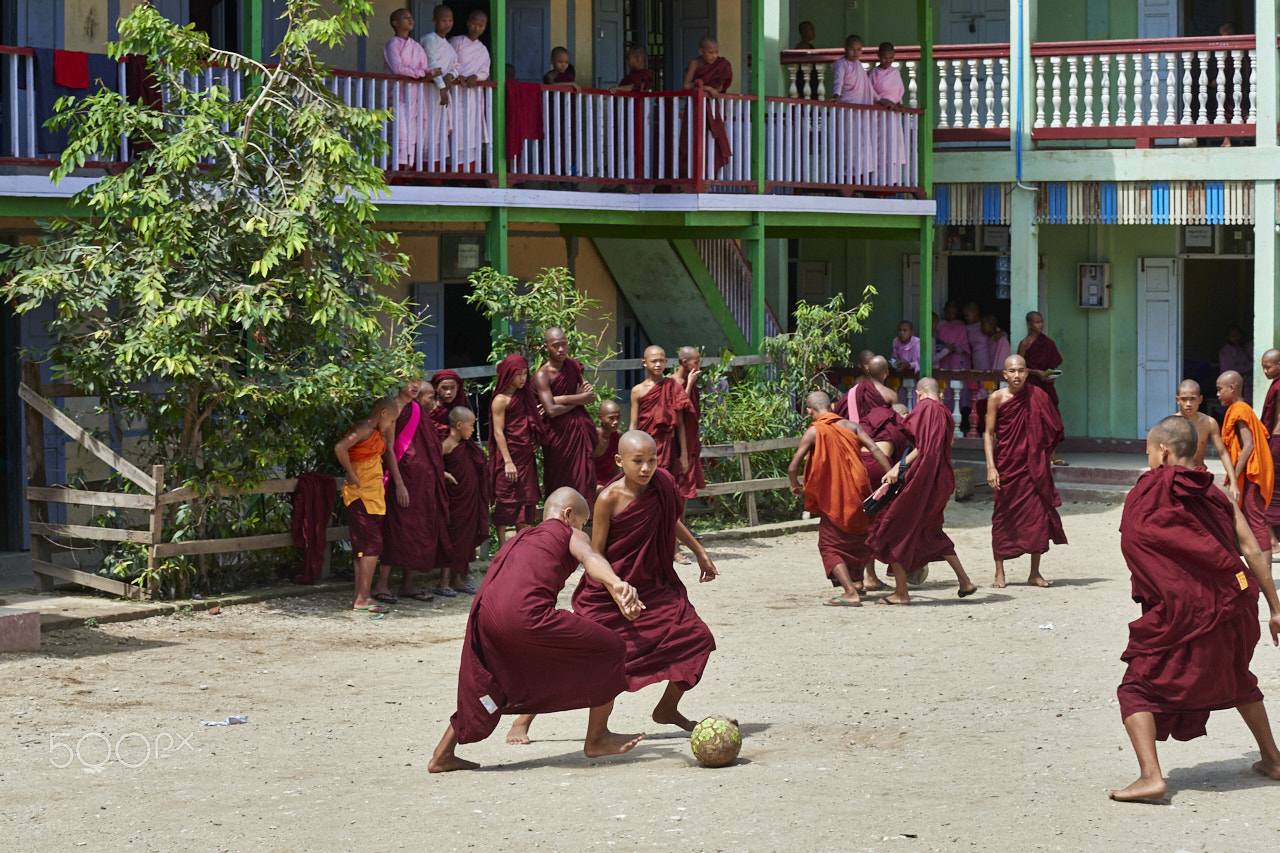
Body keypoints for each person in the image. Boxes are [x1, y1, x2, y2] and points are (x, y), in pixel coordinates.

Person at [507, 431, 719, 744]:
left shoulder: (661, 483)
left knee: (697, 638)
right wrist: (616, 590)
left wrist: (699, 552)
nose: (646, 468)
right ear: (620, 462)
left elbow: (671, 519)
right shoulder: (608, 498)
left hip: (655, 586)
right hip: (610, 592)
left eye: (652, 460)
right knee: (585, 660)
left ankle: (667, 708)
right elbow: (597, 551)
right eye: (638, 462)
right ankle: (523, 720)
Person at [1109, 415, 1280, 802]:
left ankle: (1151, 776)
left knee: (1136, 688)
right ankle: (1273, 760)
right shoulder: (1218, 494)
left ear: (1164, 450)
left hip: (1180, 611)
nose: (1150, 457)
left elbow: (1135, 546)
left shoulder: (1150, 490)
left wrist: (1161, 590)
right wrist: (1275, 607)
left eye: (1150, 450)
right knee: (1237, 679)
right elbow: (1251, 550)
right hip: (1230, 604)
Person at [427, 488, 646, 773]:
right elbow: (591, 558)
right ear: (568, 515)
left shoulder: (521, 537)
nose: (583, 529)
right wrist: (616, 583)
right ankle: (597, 738)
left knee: (500, 675)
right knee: (612, 647)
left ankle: (442, 755)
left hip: (487, 617)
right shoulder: (568, 532)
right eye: (582, 522)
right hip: (526, 614)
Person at [867, 378, 978, 604]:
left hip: (923, 480)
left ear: (918, 394)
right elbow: (941, 445)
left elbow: (923, 447)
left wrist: (899, 467)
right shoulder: (946, 412)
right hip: (942, 480)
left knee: (893, 530)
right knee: (932, 531)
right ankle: (965, 581)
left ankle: (901, 593)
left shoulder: (925, 408)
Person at [788, 391, 892, 606]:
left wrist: (794, 484)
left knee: (829, 545)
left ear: (809, 410)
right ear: (833, 407)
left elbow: (793, 466)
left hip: (833, 496)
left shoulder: (815, 431)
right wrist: (892, 476)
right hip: (857, 490)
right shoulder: (851, 426)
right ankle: (858, 582)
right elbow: (873, 448)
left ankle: (850, 592)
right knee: (858, 538)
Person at [984, 354, 1066, 589]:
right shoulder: (996, 399)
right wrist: (991, 467)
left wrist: (1044, 454)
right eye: (1012, 371)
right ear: (1005, 374)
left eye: (1021, 370)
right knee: (1002, 516)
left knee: (1037, 518)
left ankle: (1034, 572)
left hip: (1033, 467)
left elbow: (1054, 427)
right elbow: (989, 433)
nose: (1017, 375)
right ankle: (1000, 572)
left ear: (1027, 373)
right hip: (1007, 465)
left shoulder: (1037, 396)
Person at [378, 376, 454, 601]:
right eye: (409, 382)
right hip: (403, 481)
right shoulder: (394, 408)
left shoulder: (417, 410)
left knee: (419, 530)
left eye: (416, 382)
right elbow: (389, 448)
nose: (413, 387)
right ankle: (381, 585)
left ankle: (408, 584)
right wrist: (399, 484)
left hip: (423, 484)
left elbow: (428, 449)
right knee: (396, 530)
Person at [334, 392, 401, 617]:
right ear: (383, 413)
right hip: (359, 495)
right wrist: (351, 474)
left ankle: (360, 597)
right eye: (391, 420)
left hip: (371, 496)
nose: (391, 425)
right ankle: (362, 598)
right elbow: (340, 447)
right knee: (372, 545)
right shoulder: (364, 428)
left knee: (363, 548)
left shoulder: (374, 432)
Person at [630, 345, 694, 562]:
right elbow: (633, 425)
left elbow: (682, 423)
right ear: (644, 363)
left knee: (670, 499)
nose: (658, 365)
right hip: (645, 454)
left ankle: (673, 549)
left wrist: (684, 455)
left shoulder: (673, 386)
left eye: (661, 360)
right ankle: (644, 547)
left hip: (669, 450)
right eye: (653, 361)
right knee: (642, 500)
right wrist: (629, 454)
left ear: (667, 362)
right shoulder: (638, 391)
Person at [852, 357, 910, 590]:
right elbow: (900, 457)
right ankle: (895, 579)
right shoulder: (896, 420)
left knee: (865, 517)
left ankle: (867, 576)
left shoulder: (866, 419)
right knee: (886, 521)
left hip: (858, 464)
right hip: (880, 466)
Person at [533, 327, 598, 511]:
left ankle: (583, 521)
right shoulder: (542, 375)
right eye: (556, 346)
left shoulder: (574, 367)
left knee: (584, 479)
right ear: (546, 347)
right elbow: (551, 411)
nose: (561, 349)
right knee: (559, 479)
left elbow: (590, 396)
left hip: (578, 430)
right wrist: (577, 400)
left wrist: (563, 398)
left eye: (564, 344)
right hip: (557, 437)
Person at [1217, 370, 1273, 564]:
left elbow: (1248, 446)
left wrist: (1234, 478)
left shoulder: (1240, 410)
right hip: (1248, 472)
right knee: (1248, 519)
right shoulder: (1240, 408)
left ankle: (1264, 572)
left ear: (1232, 388)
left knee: (1256, 520)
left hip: (1251, 473)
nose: (1217, 394)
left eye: (1220, 389)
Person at [490, 353, 543, 544]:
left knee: (526, 500)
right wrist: (508, 462)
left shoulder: (526, 396)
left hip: (526, 456)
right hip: (508, 456)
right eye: (518, 374)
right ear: (507, 374)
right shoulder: (500, 400)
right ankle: (502, 545)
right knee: (505, 499)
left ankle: (523, 543)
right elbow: (498, 432)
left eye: (524, 374)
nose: (522, 378)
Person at [441, 407, 489, 597]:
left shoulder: (466, 445)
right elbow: (432, 464)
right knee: (451, 539)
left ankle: (457, 579)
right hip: (454, 501)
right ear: (459, 425)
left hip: (469, 500)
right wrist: (443, 473)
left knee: (466, 539)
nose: (473, 430)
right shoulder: (447, 445)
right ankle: (443, 581)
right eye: (471, 425)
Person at [1173, 379, 1239, 501]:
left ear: (1200, 399)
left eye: (1192, 399)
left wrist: (1234, 481)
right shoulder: (1171, 423)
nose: (1188, 403)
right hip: (1177, 475)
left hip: (1199, 475)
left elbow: (1223, 453)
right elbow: (1161, 453)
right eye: (1184, 399)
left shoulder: (1209, 423)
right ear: (1178, 400)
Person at [383, 8, 430, 169]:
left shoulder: (416, 47)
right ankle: (397, 171)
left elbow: (425, 67)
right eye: (404, 18)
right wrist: (420, 74)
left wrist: (432, 73)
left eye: (411, 17)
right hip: (398, 96)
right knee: (400, 132)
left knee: (414, 133)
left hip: (415, 96)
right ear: (395, 23)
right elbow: (398, 68)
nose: (410, 20)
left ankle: (409, 170)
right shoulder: (392, 44)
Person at [681, 36, 734, 178]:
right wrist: (708, 88)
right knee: (692, 139)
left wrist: (714, 89)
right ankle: (692, 175)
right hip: (695, 107)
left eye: (716, 52)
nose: (714, 56)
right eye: (710, 52)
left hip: (712, 107)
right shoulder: (695, 63)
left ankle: (708, 174)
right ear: (701, 51)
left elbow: (722, 84)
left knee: (711, 140)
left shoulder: (721, 65)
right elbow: (686, 85)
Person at [448, 10, 491, 173]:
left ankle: (468, 172)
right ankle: (450, 170)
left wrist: (476, 77)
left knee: (470, 132)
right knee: (454, 130)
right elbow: (448, 62)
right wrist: (458, 76)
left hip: (472, 97)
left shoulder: (482, 49)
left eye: (481, 25)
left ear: (485, 27)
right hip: (454, 93)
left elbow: (485, 71)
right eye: (474, 23)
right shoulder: (457, 42)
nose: (476, 28)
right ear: (467, 22)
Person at [831, 35, 876, 184]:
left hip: (860, 113)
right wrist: (836, 96)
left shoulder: (858, 65)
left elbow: (868, 87)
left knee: (862, 148)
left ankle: (861, 182)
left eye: (859, 50)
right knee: (847, 147)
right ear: (845, 48)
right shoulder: (840, 64)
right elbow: (838, 82)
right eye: (852, 49)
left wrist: (880, 99)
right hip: (846, 113)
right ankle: (846, 181)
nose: (856, 53)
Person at [419, 5, 458, 168]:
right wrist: (442, 87)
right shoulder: (429, 39)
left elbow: (456, 66)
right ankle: (425, 167)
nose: (447, 24)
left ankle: (438, 167)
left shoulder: (448, 46)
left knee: (440, 129)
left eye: (450, 21)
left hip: (443, 92)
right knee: (429, 127)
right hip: (431, 91)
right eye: (443, 20)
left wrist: (450, 76)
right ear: (435, 21)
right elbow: (431, 62)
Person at [868, 41, 907, 185]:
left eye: (891, 58)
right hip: (879, 115)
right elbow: (869, 93)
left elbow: (899, 91)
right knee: (880, 147)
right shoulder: (873, 73)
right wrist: (881, 101)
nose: (888, 61)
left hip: (893, 115)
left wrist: (899, 103)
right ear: (878, 56)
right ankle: (878, 181)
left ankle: (893, 181)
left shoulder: (895, 73)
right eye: (885, 58)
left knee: (894, 146)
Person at [672, 346, 706, 504]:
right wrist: (690, 385)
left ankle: (683, 525)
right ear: (685, 362)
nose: (698, 367)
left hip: (690, 440)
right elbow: (679, 410)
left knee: (686, 486)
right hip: (675, 442)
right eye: (696, 363)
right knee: (676, 486)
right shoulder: (671, 383)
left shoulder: (689, 381)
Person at [1261, 349, 1280, 548]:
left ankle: (1273, 541)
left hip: (1277, 442)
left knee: (1266, 491)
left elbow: (1275, 419)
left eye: (1268, 367)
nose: (1265, 371)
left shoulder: (1278, 387)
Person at [832, 349, 875, 422]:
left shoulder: (879, 379)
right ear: (859, 365)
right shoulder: (858, 382)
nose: (870, 366)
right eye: (866, 363)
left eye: (872, 363)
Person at [593, 399, 623, 497]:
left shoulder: (618, 436)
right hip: (592, 483)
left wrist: (617, 483)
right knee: (606, 493)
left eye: (618, 417)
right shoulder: (593, 436)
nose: (616, 422)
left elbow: (615, 466)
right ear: (600, 418)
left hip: (608, 482)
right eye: (611, 418)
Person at [1219, 325, 1253, 406]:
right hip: (1230, 383)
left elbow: (1247, 363)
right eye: (1233, 336)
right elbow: (1232, 369)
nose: (1236, 338)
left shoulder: (1240, 349)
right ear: (1228, 337)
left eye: (1238, 335)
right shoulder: (1226, 351)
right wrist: (1250, 367)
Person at [963, 303, 990, 370]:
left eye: (967, 315)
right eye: (964, 316)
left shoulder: (984, 324)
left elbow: (997, 332)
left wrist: (1002, 334)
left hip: (987, 357)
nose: (965, 318)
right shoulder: (967, 328)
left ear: (975, 312)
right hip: (975, 358)